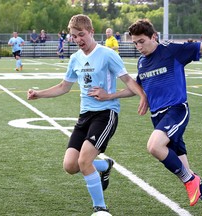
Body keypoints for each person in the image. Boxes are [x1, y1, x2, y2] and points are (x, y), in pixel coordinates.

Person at [88, 19, 202, 216]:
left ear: (153, 37)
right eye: (135, 43)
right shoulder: (142, 61)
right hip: (158, 118)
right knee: (185, 173)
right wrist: (109, 95)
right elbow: (137, 88)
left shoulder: (171, 50)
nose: (138, 47)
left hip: (176, 110)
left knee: (154, 146)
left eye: (141, 41)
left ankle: (192, 181)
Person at [27, 14, 147, 215]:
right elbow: (64, 87)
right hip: (84, 116)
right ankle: (104, 165)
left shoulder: (107, 54)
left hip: (105, 114)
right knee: (70, 166)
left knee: (84, 161)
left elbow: (128, 81)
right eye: (74, 36)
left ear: (91, 32)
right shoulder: (75, 58)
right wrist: (39, 94)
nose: (78, 40)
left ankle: (100, 208)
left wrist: (141, 96)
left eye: (81, 35)